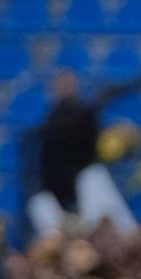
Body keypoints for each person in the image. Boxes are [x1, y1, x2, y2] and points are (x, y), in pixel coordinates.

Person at [37, 69, 100, 211]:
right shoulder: (51, 116)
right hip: (55, 181)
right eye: (60, 84)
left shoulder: (84, 113)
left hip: (81, 178)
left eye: (67, 84)